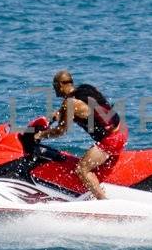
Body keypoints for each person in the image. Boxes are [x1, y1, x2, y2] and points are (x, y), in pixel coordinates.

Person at [34, 69, 127, 200]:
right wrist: (61, 112)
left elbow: (60, 131)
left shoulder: (70, 104)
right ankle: (96, 188)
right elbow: (86, 107)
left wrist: (40, 136)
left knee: (82, 170)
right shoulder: (86, 89)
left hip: (112, 140)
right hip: (121, 129)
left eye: (54, 86)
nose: (54, 90)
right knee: (89, 164)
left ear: (60, 85)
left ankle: (104, 203)